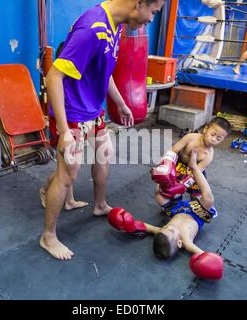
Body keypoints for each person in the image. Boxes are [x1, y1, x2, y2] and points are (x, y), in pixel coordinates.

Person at [40, 0, 165, 260]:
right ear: (139, 3)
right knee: (68, 174)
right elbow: (53, 76)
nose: (152, 20)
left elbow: (102, 69)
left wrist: (120, 102)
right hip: (73, 111)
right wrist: (64, 131)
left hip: (94, 108)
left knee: (103, 153)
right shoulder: (93, 28)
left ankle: (99, 205)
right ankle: (48, 236)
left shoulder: (116, 24)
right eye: (153, 12)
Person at [108, 148, 224, 279]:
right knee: (209, 199)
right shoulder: (186, 242)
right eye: (172, 231)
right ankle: (195, 169)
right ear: (179, 243)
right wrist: (207, 262)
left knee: (159, 195)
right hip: (197, 214)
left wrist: (129, 225)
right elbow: (201, 253)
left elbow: (145, 227)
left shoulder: (163, 233)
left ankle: (167, 179)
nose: (169, 227)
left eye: (165, 228)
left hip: (177, 209)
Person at [151, 117, 231, 200]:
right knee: (165, 190)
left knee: (198, 197)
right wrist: (164, 166)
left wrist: (183, 185)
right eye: (212, 134)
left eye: (219, 139)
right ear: (205, 129)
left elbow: (197, 172)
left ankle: (192, 208)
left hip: (194, 172)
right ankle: (172, 206)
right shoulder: (191, 137)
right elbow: (173, 150)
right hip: (179, 165)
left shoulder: (209, 155)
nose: (214, 140)